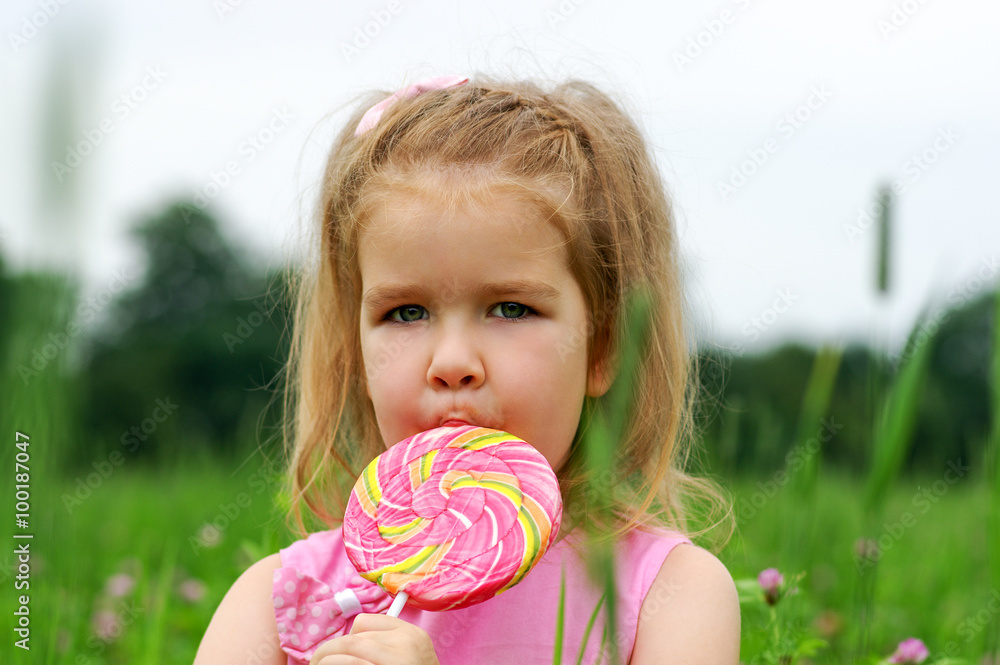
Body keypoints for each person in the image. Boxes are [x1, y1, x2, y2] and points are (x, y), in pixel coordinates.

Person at [194, 73, 740, 665]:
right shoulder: (284, 604)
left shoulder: (670, 593)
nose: (452, 363)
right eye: (405, 312)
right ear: (354, 354)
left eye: (511, 308)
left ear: (604, 347)